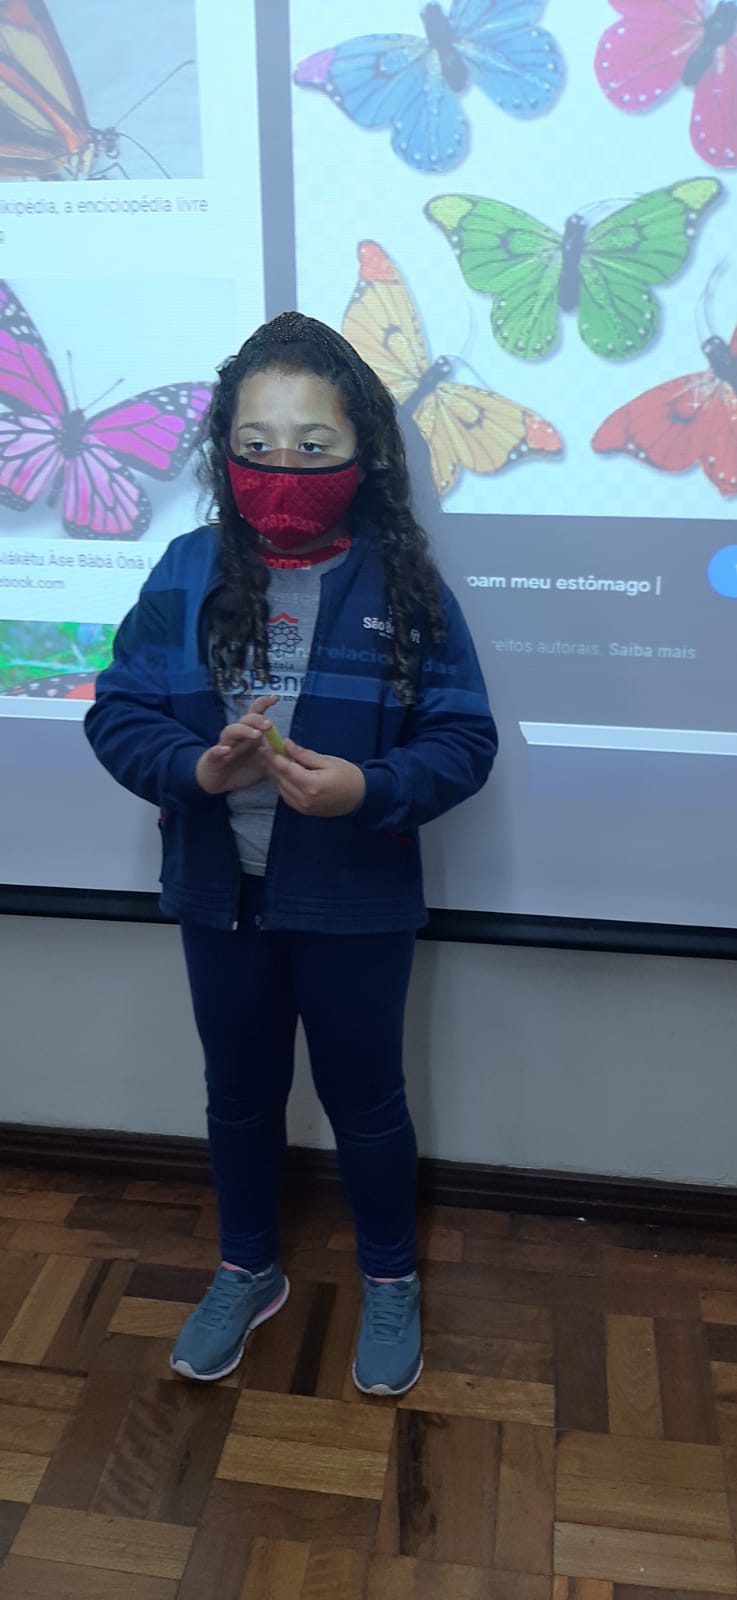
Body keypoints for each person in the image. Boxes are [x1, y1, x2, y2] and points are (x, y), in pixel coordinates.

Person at [85, 311, 497, 1396]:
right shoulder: (183, 571)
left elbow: (462, 740)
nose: (282, 469)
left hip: (355, 897)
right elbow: (118, 712)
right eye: (256, 444)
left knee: (366, 1101)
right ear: (223, 450)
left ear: (362, 451)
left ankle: (390, 1276)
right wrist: (196, 769)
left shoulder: (405, 586)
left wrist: (368, 789)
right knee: (237, 1096)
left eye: (313, 445)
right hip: (219, 896)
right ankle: (247, 1266)